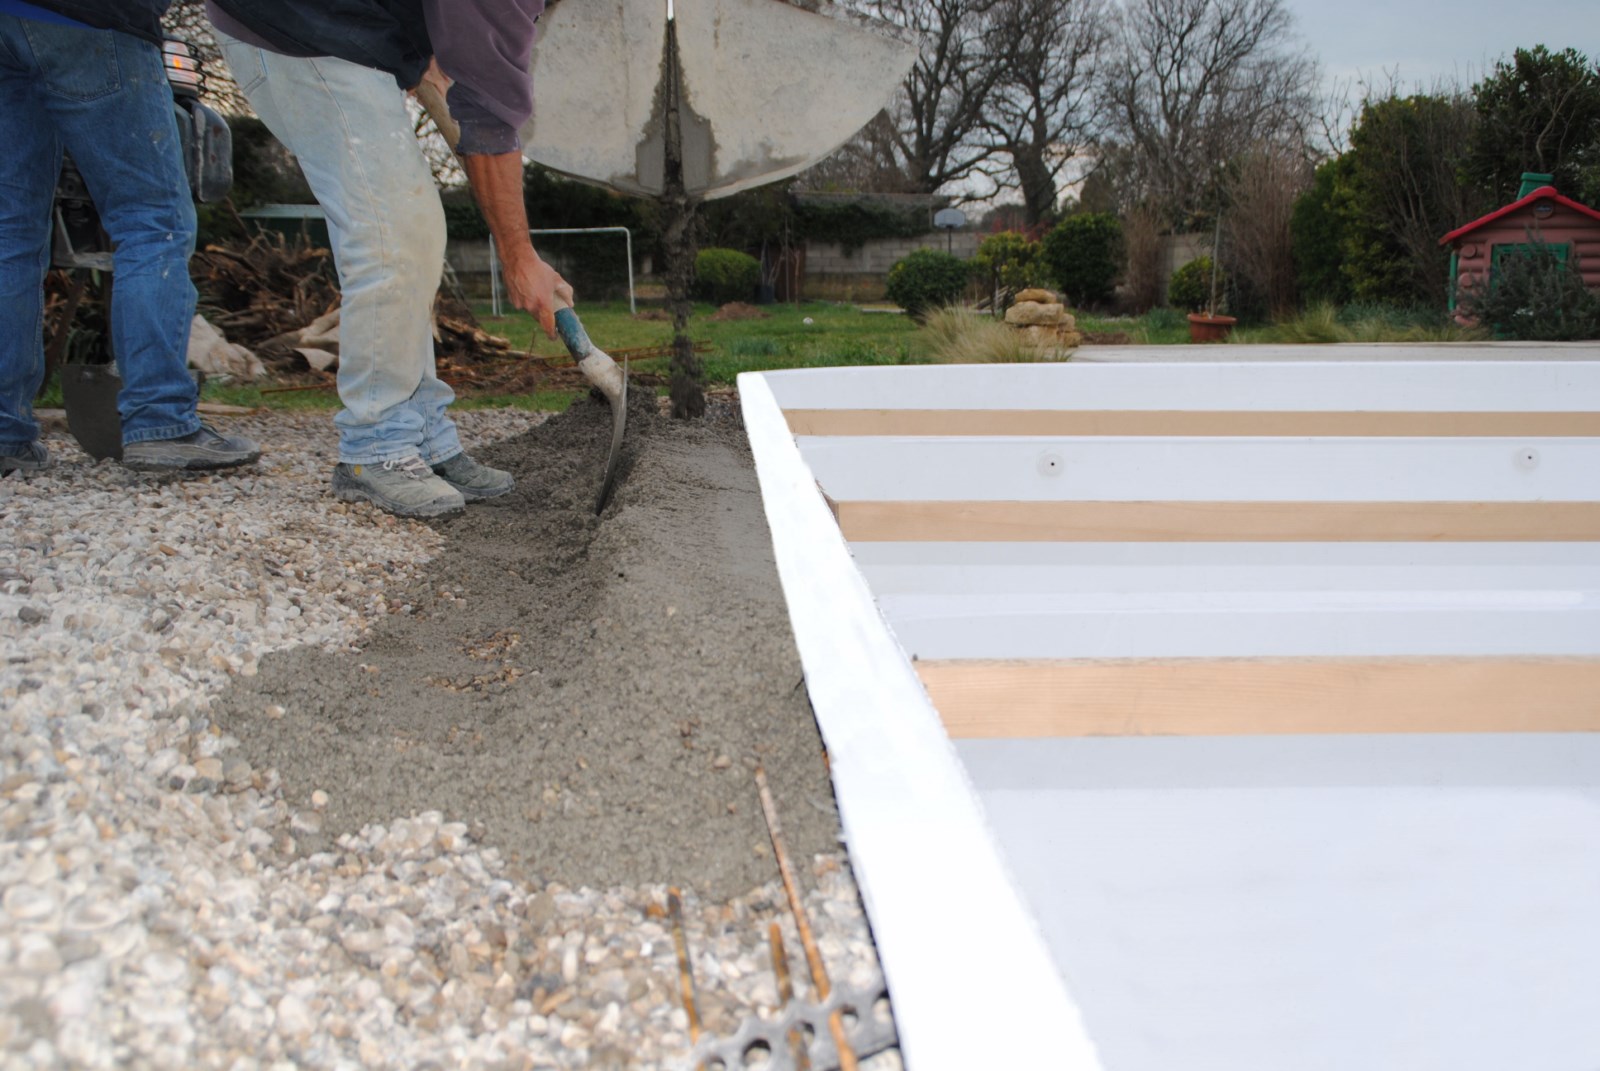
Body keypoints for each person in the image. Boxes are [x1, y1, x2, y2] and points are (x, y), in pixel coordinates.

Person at [205, 0, 621, 518]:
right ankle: (375, 445)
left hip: (354, 35)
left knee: (417, 236)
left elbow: (474, 88)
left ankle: (421, 434)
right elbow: (489, 115)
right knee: (393, 231)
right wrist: (519, 257)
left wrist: (414, 53)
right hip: (298, 28)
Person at [0, 0, 261, 477]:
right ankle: (161, 423)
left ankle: (4, 435)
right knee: (151, 220)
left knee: (9, 232)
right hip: (86, 18)